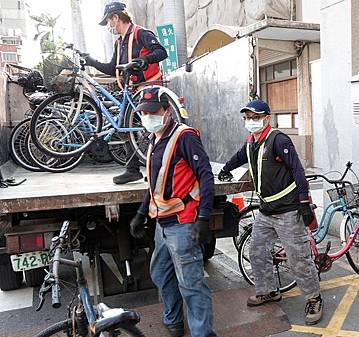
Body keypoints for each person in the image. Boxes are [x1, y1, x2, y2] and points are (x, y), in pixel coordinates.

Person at [217, 99, 323, 325]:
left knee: (299, 259)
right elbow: (239, 156)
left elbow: (297, 169)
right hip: (266, 212)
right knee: (257, 251)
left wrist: (303, 201)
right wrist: (226, 169)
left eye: (255, 117)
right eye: (247, 118)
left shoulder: (278, 140)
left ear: (266, 118)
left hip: (287, 211)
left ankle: (314, 298)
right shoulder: (252, 142)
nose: (251, 122)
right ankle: (268, 290)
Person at [129, 87, 216, 337]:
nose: (148, 117)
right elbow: (155, 184)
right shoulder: (155, 139)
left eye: (153, 111)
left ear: (167, 111)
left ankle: (203, 334)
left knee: (191, 285)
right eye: (143, 112)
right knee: (160, 274)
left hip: (183, 224)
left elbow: (206, 176)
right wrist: (141, 213)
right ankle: (174, 320)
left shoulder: (184, 137)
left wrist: (203, 218)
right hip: (162, 225)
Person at [84, 1, 168, 184]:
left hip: (148, 89)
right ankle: (133, 169)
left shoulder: (141, 34)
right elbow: (112, 68)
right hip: (131, 93)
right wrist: (92, 61)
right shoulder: (119, 42)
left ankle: (160, 167)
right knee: (124, 126)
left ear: (116, 18)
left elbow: (161, 52)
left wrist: (143, 61)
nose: (109, 26)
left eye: (108, 21)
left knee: (153, 129)